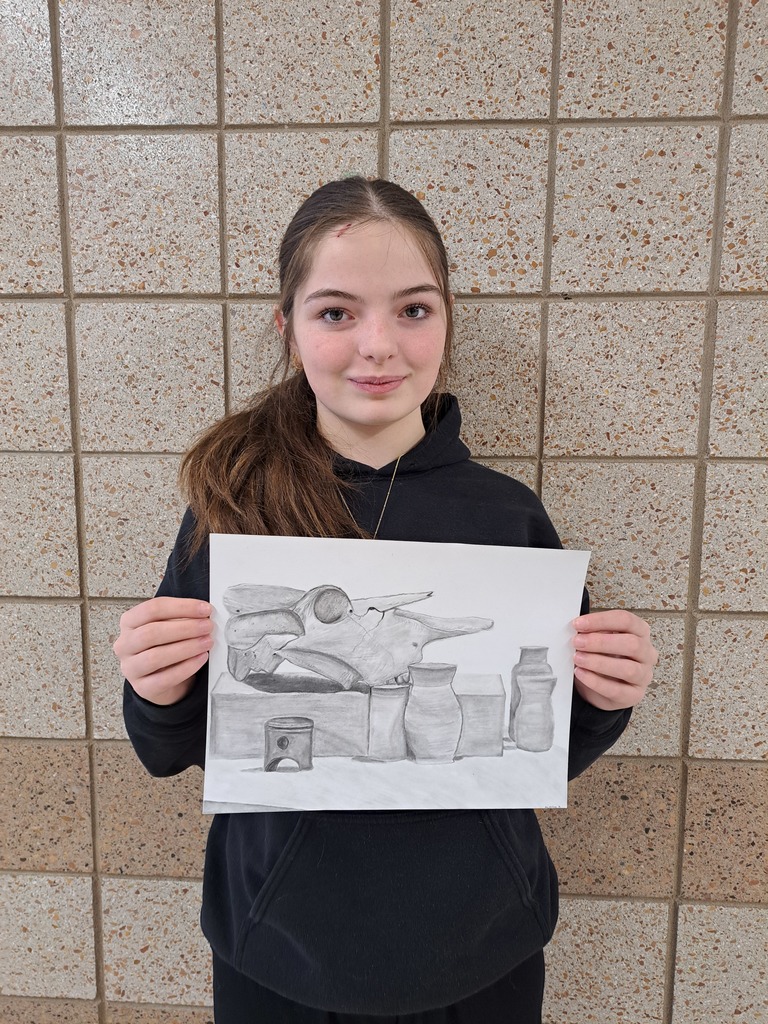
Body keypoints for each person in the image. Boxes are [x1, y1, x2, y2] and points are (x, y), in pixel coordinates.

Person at [115, 177, 658, 1023]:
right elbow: (170, 748)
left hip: (483, 947)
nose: (378, 345)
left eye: (413, 310)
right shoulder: (234, 505)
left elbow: (542, 750)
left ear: (446, 320)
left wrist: (604, 696)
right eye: (336, 313)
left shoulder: (506, 514)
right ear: (288, 328)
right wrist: (156, 686)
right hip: (278, 947)